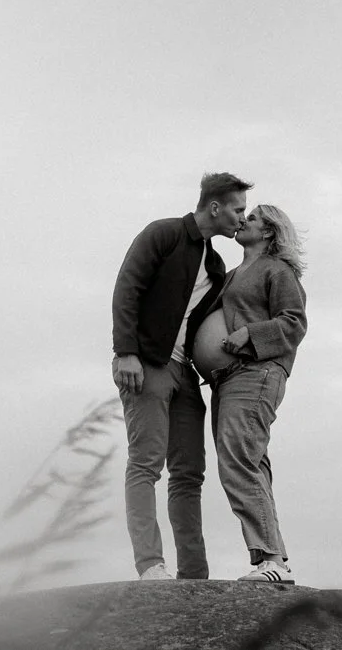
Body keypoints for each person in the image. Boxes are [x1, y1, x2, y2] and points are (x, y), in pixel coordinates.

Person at [111, 172, 251, 581]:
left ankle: (194, 575)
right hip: (147, 363)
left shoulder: (215, 262)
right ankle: (151, 565)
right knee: (145, 464)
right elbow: (127, 289)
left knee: (189, 472)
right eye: (237, 209)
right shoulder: (163, 234)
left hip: (184, 373)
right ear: (214, 207)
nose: (242, 219)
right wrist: (126, 353)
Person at [205, 204, 307, 584]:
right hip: (228, 377)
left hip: (258, 372)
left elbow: (294, 322)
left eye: (252, 218)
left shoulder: (277, 271)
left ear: (268, 231)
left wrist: (251, 333)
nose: (243, 220)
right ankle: (275, 557)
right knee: (250, 460)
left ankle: (270, 561)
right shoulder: (233, 275)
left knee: (238, 461)